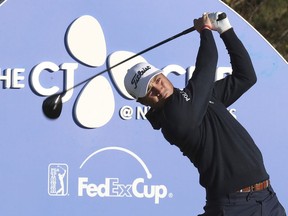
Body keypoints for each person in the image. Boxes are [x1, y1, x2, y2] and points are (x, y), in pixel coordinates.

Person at [124, 12, 286, 215]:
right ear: (142, 101)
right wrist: (206, 31)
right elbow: (208, 64)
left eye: (156, 79)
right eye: (149, 91)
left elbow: (246, 76)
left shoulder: (197, 98)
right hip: (234, 206)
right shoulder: (173, 118)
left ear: (162, 74)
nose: (157, 88)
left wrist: (225, 30)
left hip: (267, 198)